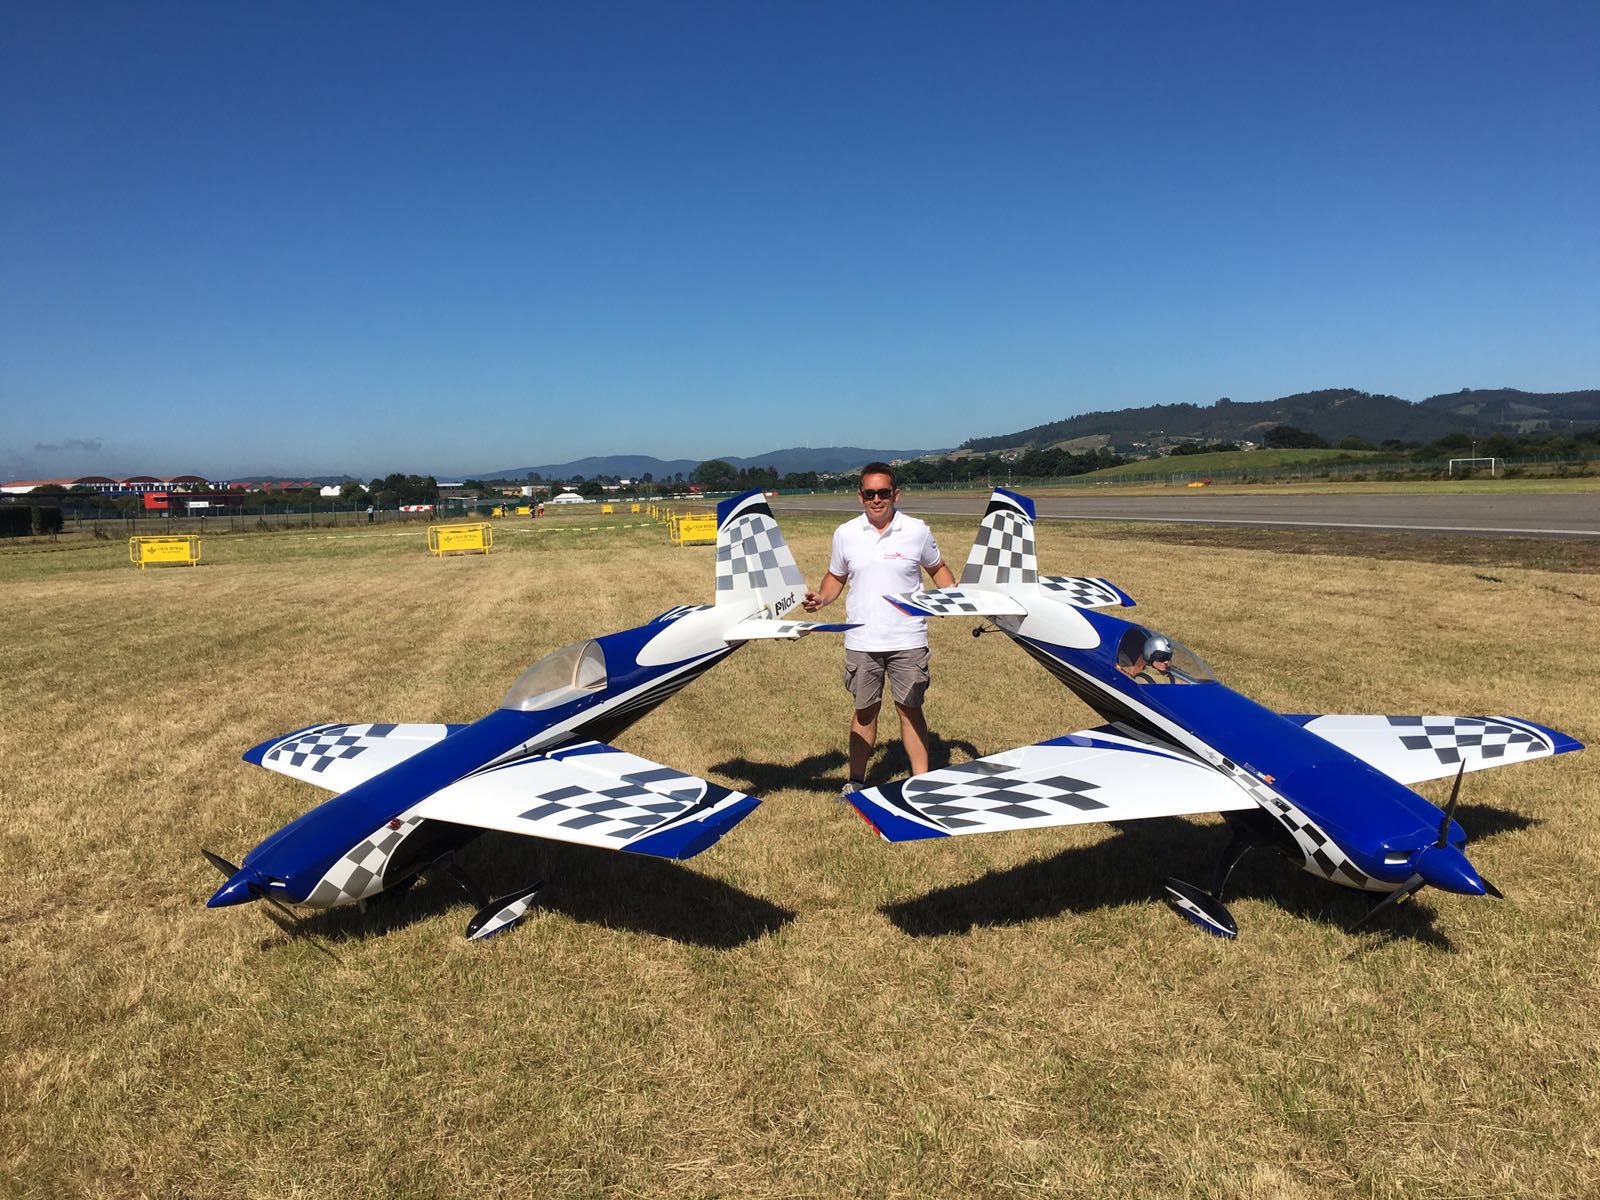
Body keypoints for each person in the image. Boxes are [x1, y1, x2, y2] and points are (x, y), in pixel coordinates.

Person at [802, 463, 956, 792]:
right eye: (870, 494)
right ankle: (855, 782)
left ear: (895, 494)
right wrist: (822, 598)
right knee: (865, 711)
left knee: (910, 710)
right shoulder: (845, 534)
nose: (877, 500)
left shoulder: (917, 530)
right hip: (862, 638)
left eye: (883, 493)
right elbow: (836, 577)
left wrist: (952, 598)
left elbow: (937, 567)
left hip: (907, 638)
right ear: (860, 497)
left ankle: (922, 784)